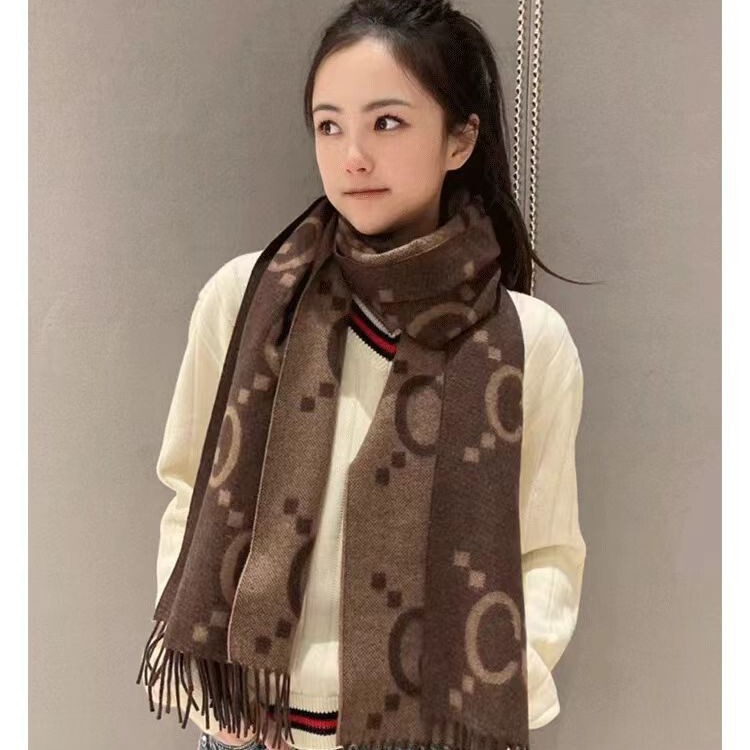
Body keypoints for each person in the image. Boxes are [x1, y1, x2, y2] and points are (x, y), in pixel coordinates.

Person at [145, 2, 589, 749]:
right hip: (249, 732)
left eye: (386, 122)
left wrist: (482, 701)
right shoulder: (244, 300)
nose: (352, 156)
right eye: (329, 126)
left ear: (460, 139)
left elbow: (546, 553)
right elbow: (189, 492)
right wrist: (220, 708)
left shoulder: (526, 340)